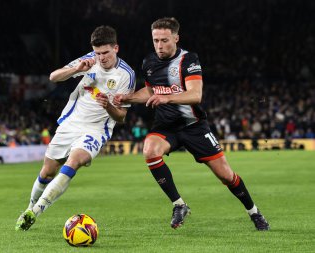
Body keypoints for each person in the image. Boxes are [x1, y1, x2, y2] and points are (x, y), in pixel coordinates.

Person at [114, 17, 269, 231]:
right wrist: (127, 98)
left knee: (226, 175)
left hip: (194, 126)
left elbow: (196, 95)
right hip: (166, 126)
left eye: (164, 40)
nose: (159, 45)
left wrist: (167, 98)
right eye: (155, 40)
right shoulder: (149, 62)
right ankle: (179, 205)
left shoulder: (189, 60)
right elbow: (150, 92)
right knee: (150, 150)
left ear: (176, 38)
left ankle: (254, 212)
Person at [15, 25, 135, 231]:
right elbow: (54, 77)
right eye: (98, 53)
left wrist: (108, 106)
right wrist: (77, 69)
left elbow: (122, 117)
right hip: (70, 124)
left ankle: (36, 212)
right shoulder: (89, 60)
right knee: (47, 172)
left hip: (96, 129)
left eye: (105, 52)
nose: (101, 58)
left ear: (116, 48)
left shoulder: (126, 75)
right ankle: (29, 206)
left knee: (75, 161)